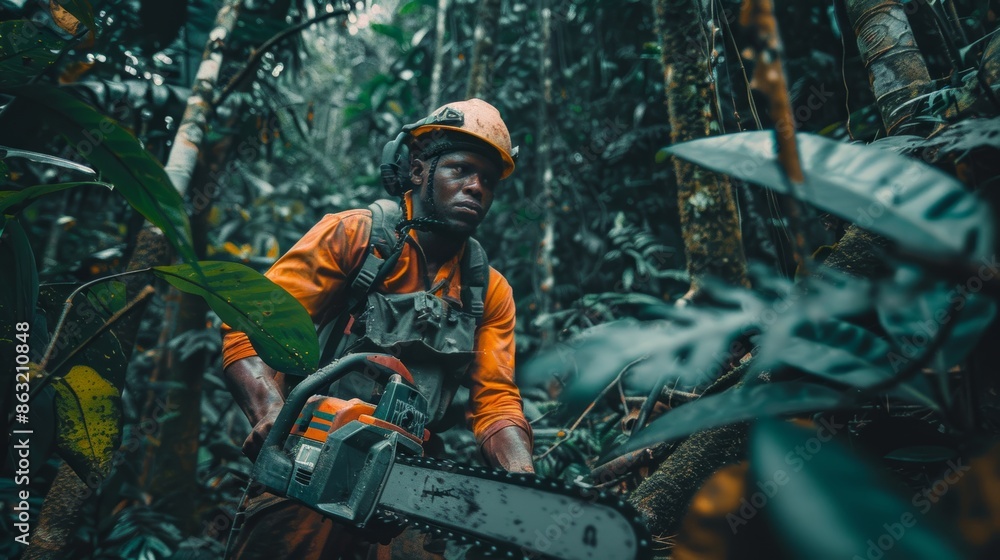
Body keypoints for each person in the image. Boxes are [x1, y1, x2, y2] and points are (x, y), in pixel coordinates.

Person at [220, 98, 534, 558]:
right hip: (312, 457)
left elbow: (495, 401)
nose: (475, 187)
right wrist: (270, 410)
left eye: (487, 180)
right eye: (461, 170)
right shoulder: (356, 236)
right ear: (418, 171)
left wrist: (520, 471)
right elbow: (252, 326)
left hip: (408, 478)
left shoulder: (488, 290)